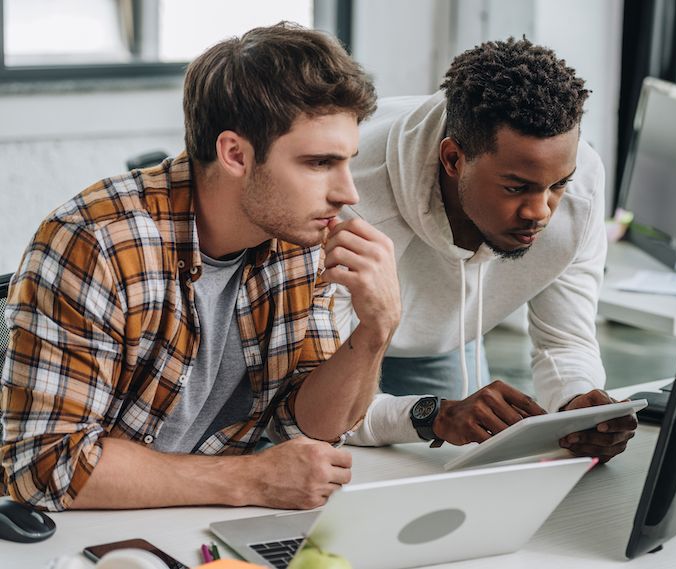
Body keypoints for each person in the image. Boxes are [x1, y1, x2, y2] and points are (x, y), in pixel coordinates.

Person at [0, 22, 400, 512]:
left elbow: (308, 424)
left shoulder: (300, 236)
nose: (348, 193)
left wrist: (376, 329)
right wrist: (252, 480)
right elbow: (44, 466)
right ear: (235, 154)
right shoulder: (98, 243)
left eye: (347, 162)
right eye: (319, 163)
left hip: (202, 521)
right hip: (85, 536)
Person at [338, 38, 637, 462]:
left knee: (456, 469)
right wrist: (433, 415)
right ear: (453, 159)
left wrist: (577, 406)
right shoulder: (347, 198)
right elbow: (316, 408)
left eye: (558, 184)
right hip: (342, 344)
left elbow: (564, 341)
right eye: (516, 188)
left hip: (444, 344)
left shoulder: (580, 187)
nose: (540, 211)